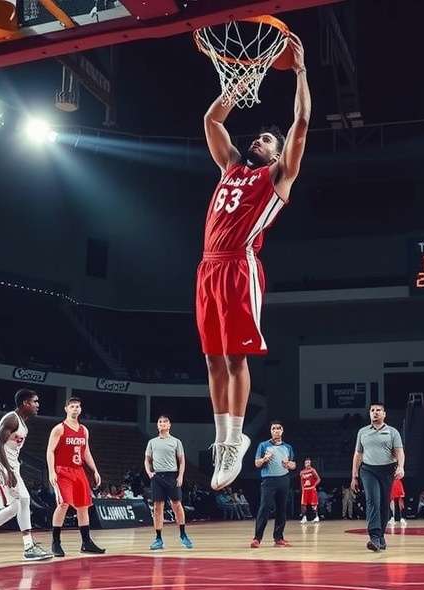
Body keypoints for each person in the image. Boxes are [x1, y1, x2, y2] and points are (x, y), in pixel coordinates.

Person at [198, 33, 311, 491]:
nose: (259, 140)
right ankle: (225, 439)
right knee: (212, 359)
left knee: (236, 356)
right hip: (207, 266)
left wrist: (300, 72)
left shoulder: (278, 176)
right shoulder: (230, 167)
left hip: (241, 265)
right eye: (259, 136)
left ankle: (235, 438)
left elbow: (301, 122)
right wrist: (238, 83)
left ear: (277, 151)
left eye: (268, 138)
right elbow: (211, 119)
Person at [0, 389, 53, 561]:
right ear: (25, 403)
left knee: (25, 500)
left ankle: (29, 546)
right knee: (14, 506)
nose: (38, 405)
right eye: (35, 401)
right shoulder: (11, 419)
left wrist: (14, 468)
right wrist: (7, 470)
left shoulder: (22, 424)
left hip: (11, 467)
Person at [46, 397, 105, 557]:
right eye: (72, 406)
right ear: (66, 409)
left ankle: (86, 543)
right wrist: (51, 471)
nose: (75, 409)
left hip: (78, 471)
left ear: (80, 409)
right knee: (63, 504)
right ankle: (55, 542)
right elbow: (50, 451)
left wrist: (94, 470)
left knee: (83, 506)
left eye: (77, 406)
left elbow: (86, 451)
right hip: (62, 470)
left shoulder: (84, 430)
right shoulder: (59, 429)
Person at [350, 401, 405, 552]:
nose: (375, 412)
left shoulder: (393, 432)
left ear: (384, 414)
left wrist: (401, 467)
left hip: (387, 471)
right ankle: (374, 537)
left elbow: (400, 452)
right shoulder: (362, 432)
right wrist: (354, 476)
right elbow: (358, 454)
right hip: (368, 470)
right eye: (372, 410)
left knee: (384, 504)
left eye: (378, 410)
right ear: (369, 413)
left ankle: (380, 537)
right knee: (372, 500)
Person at [144, 415, 193, 549]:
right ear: (157, 425)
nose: (162, 423)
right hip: (157, 477)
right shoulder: (152, 442)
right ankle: (158, 539)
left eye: (165, 422)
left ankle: (183, 535)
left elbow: (182, 460)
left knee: (176, 505)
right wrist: (149, 473)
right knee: (157, 507)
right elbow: (147, 460)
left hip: (172, 476)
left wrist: (181, 475)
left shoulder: (176, 442)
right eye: (160, 422)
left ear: (169, 425)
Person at [251, 421, 296, 547]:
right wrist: (264, 459)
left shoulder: (288, 447)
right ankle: (257, 538)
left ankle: (278, 538)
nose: (276, 430)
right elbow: (256, 463)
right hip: (268, 481)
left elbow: (293, 464)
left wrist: (289, 464)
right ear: (271, 431)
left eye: (278, 428)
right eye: (273, 428)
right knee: (264, 508)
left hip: (284, 480)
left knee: (281, 509)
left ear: (282, 431)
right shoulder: (263, 445)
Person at [299, 458, 321, 523]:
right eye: (306, 463)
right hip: (305, 490)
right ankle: (304, 517)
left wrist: (314, 485)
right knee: (303, 504)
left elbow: (318, 479)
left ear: (310, 463)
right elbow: (301, 482)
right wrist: (302, 488)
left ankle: (316, 517)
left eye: (309, 462)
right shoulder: (302, 472)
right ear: (304, 464)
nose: (307, 464)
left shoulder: (312, 470)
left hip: (312, 489)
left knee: (314, 504)